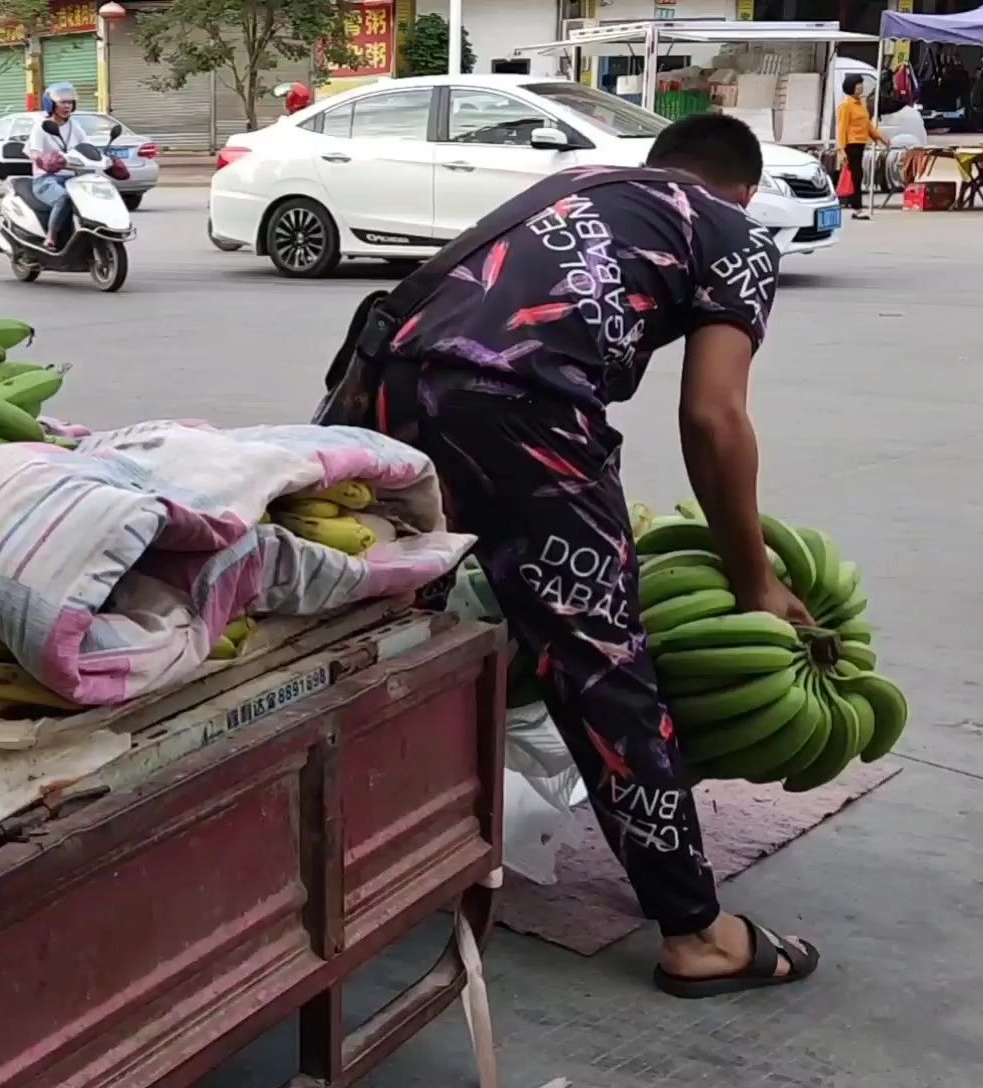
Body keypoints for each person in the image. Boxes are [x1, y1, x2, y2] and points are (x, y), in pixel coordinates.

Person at [342, 114, 818, 997]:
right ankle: (696, 932)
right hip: (515, 400)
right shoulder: (734, 230)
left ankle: (341, 840)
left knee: (365, 619)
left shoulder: (583, 189)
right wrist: (754, 578)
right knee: (601, 664)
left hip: (384, 378)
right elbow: (714, 415)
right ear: (744, 189)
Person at [24, 82, 89, 250]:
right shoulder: (41, 128)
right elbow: (35, 153)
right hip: (46, 180)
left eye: (70, 102)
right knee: (63, 198)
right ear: (51, 104)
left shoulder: (75, 126)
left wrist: (107, 160)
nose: (67, 106)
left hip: (72, 178)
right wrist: (44, 161)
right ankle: (51, 237)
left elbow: (88, 147)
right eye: (63, 102)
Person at [838, 74, 888, 220]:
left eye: (861, 84)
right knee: (856, 176)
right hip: (851, 145)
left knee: (858, 176)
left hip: (860, 144)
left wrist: (880, 138)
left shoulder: (861, 104)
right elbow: (842, 128)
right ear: (851, 88)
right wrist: (841, 150)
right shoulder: (846, 106)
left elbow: (867, 126)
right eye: (858, 84)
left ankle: (856, 206)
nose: (861, 87)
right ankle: (857, 207)